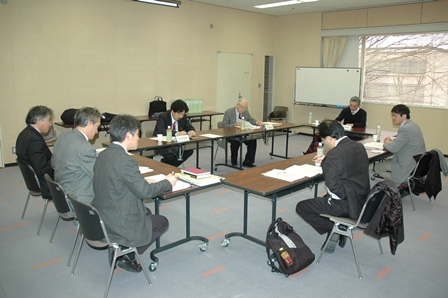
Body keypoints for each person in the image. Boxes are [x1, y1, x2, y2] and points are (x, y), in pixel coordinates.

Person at [92, 114, 177, 273]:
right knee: (162, 222)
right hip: (118, 221)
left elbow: (116, 181)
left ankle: (123, 248)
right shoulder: (125, 160)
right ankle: (127, 253)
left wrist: (141, 182)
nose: (139, 138)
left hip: (102, 215)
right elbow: (145, 192)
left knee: (147, 212)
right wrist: (167, 182)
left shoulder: (103, 154)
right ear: (128, 136)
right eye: (138, 134)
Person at [296, 119, 370, 253]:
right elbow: (348, 163)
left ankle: (333, 229)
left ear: (329, 139)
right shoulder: (358, 146)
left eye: (323, 141)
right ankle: (337, 226)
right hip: (363, 199)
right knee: (325, 197)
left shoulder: (334, 154)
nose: (323, 143)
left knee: (302, 207)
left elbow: (334, 186)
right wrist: (327, 161)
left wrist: (334, 199)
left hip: (347, 204)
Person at [53, 107, 101, 204]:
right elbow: (99, 177)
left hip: (61, 192)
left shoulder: (62, 137)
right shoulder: (86, 149)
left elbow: (53, 164)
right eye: (97, 127)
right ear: (90, 124)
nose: (97, 132)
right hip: (78, 199)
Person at [373, 104, 426, 185]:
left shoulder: (404, 128)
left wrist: (386, 143)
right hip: (417, 162)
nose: (392, 118)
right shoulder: (413, 125)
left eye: (395, 116)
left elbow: (393, 149)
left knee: (377, 167)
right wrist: (391, 143)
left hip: (406, 164)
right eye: (392, 115)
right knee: (386, 162)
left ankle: (400, 182)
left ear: (404, 116)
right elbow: (402, 142)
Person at [16, 106, 55, 200]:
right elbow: (43, 169)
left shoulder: (24, 133)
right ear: (38, 120)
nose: (50, 124)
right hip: (45, 183)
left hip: (33, 181)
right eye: (49, 120)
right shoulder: (34, 140)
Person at [153, 99, 197, 167]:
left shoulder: (183, 117)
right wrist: (177, 133)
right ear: (173, 110)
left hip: (177, 144)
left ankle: (167, 165)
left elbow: (189, 126)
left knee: (189, 151)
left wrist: (191, 131)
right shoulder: (163, 116)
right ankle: (169, 166)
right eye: (179, 114)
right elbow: (160, 130)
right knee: (170, 155)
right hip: (163, 143)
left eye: (182, 114)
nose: (180, 116)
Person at [222, 98, 263, 167]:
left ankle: (248, 161)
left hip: (243, 133)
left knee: (253, 141)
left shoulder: (246, 112)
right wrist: (234, 124)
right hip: (232, 134)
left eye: (245, 108)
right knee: (235, 142)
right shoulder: (229, 112)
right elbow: (224, 125)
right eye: (243, 108)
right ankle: (234, 160)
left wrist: (256, 122)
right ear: (237, 105)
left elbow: (250, 119)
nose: (243, 110)